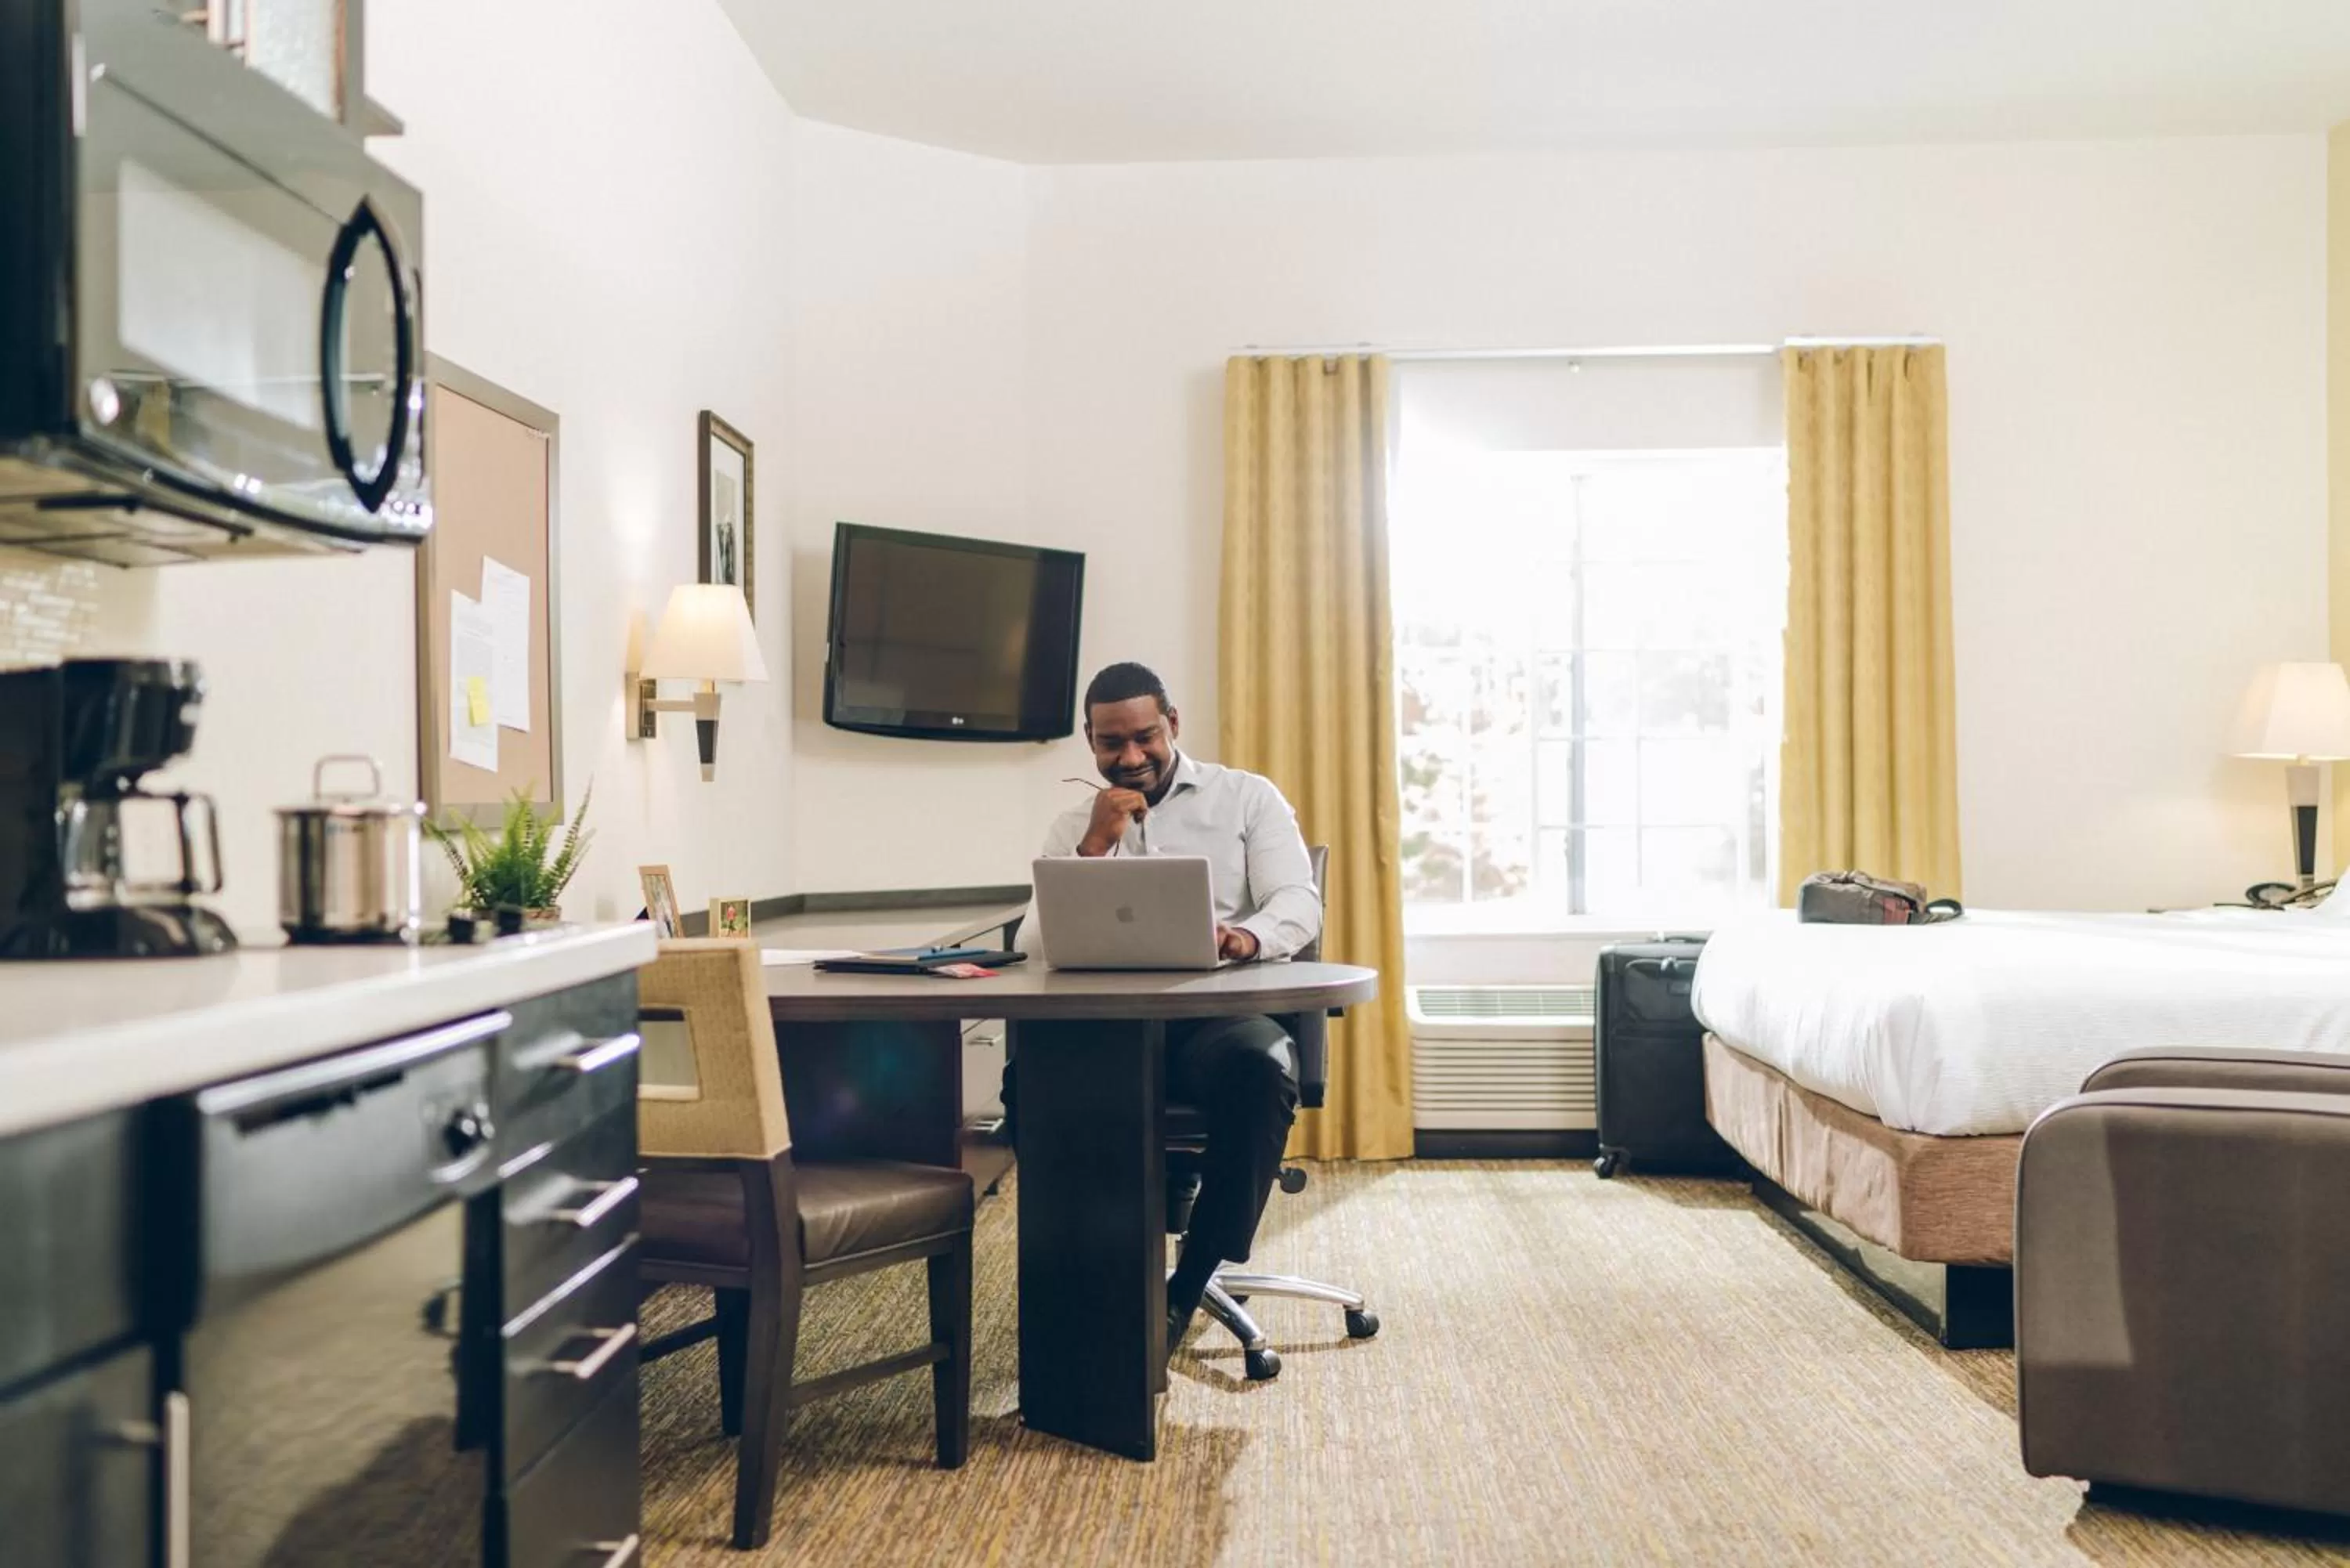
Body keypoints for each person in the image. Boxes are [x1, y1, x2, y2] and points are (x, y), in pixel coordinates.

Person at [1014, 661, 1323, 1356]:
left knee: (1262, 1071)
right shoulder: (1074, 828)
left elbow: (1298, 903)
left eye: (1144, 737)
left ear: (1173, 725)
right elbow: (1033, 944)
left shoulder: (1246, 799)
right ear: (1089, 744)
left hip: (1215, 1021)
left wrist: (1244, 937)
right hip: (1108, 1028)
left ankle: (1185, 1288)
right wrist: (1095, 847)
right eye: (1109, 743)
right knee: (1027, 1086)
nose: (1129, 758)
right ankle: (1089, 1276)